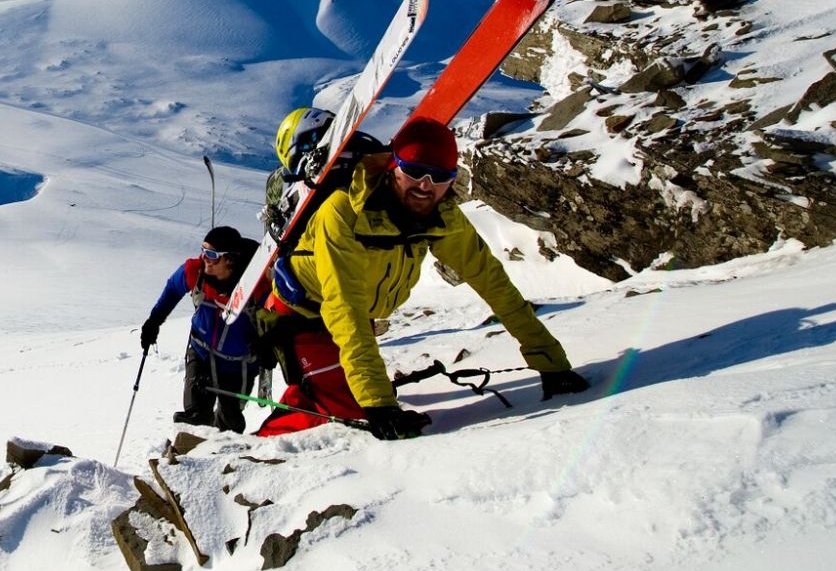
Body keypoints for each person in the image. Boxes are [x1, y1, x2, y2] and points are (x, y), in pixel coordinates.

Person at [253, 117, 592, 439]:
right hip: (301, 313)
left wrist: (552, 363)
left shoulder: (442, 216)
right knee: (346, 410)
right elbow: (344, 307)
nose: (425, 186)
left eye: (439, 176)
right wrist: (379, 405)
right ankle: (250, 452)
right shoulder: (343, 212)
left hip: (357, 314)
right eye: (414, 172)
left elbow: (494, 284)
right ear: (392, 167)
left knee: (355, 394)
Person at [140, 226, 263, 431]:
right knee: (196, 416)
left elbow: (277, 312)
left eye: (212, 254)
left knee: (230, 422)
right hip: (201, 351)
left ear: (229, 259)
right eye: (203, 250)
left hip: (238, 363)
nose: (204, 257)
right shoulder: (195, 271)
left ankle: (221, 458)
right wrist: (154, 321)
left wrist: (268, 343)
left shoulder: (255, 283)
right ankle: (189, 456)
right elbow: (172, 289)